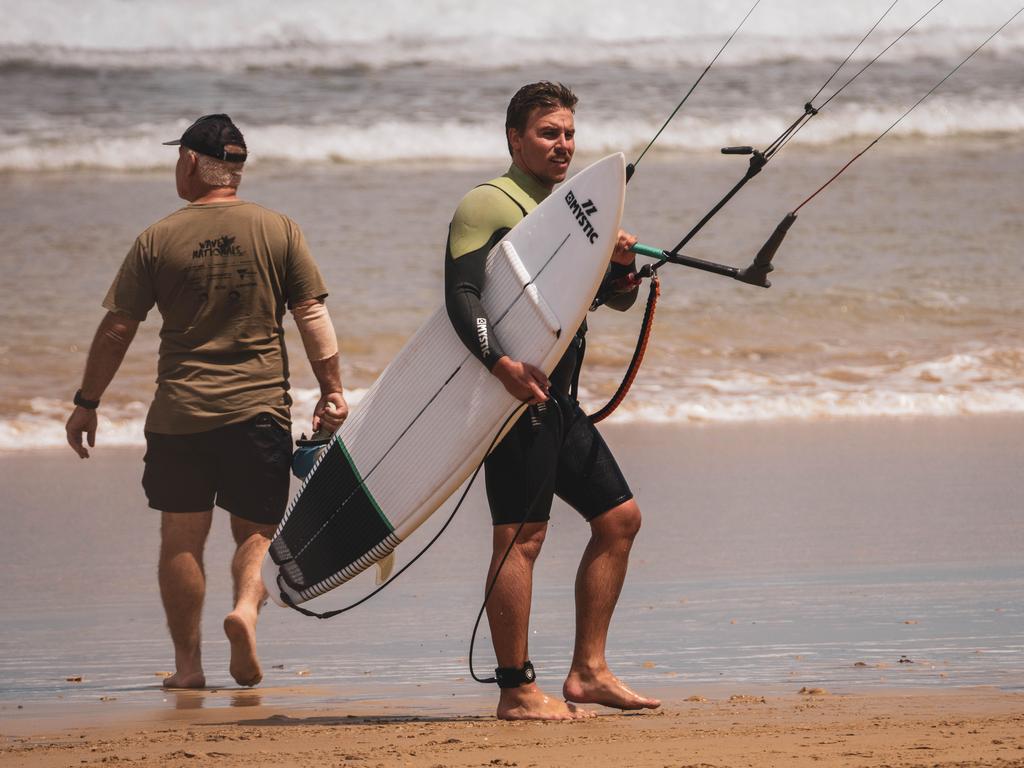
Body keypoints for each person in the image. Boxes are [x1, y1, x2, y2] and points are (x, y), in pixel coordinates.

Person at [64, 114, 348, 689]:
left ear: (191, 162)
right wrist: (332, 389)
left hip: (181, 415)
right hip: (259, 411)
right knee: (255, 534)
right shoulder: (279, 230)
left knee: (182, 536)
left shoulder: (157, 238)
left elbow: (119, 329)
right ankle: (245, 609)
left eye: (178, 159)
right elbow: (312, 315)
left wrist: (87, 401)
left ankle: (190, 668)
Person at [444, 82, 661, 720]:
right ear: (515, 139)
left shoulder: (577, 209)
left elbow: (609, 300)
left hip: (558, 400)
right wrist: (501, 365)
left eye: (568, 132)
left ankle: (589, 672)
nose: (562, 144)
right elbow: (461, 296)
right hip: (512, 399)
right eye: (548, 132)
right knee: (521, 538)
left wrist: (618, 265)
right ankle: (516, 690)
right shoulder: (489, 204)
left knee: (619, 520)